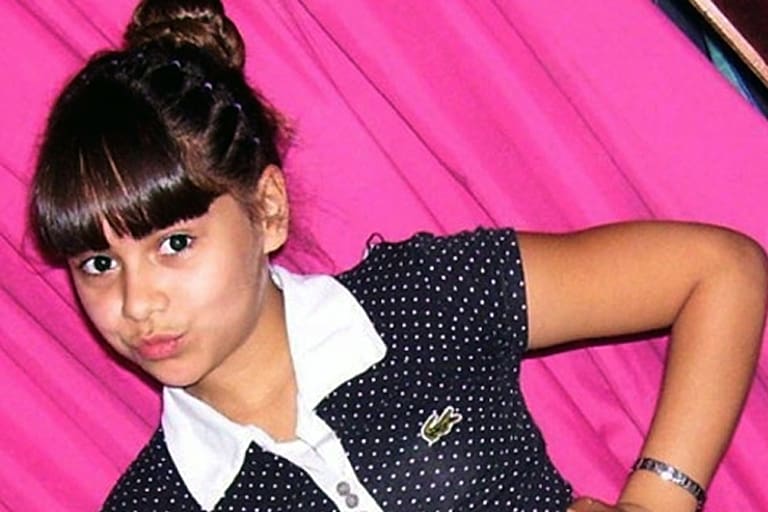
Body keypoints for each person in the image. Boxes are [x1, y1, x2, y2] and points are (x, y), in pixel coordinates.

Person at [29, 1, 767, 511]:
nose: (137, 303)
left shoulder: (416, 301)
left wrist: (657, 498)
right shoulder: (159, 501)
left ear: (268, 209)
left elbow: (720, 270)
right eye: (98, 263)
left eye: (174, 244)